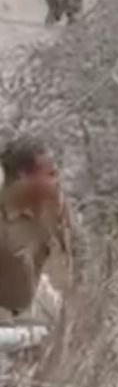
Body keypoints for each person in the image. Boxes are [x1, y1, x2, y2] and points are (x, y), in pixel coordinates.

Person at [0, 136, 71, 322]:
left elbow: (79, 254)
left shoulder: (53, 206)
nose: (56, 181)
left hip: (35, 299)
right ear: (23, 175)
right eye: (50, 174)